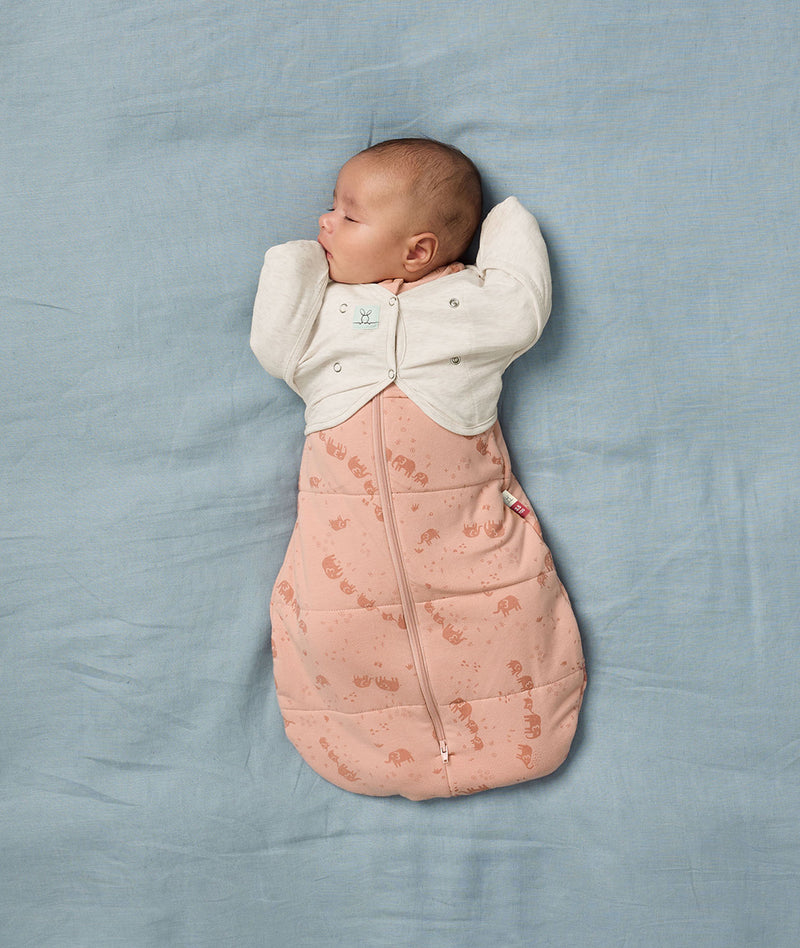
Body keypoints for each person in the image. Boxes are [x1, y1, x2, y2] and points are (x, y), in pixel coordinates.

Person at [251, 138, 585, 800]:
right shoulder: (325, 317)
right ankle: (374, 746)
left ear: (419, 250)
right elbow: (273, 347)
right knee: (341, 626)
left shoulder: (470, 305)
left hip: (466, 540)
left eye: (347, 216)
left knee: (503, 616)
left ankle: (506, 738)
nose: (322, 223)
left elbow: (523, 302)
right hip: (344, 558)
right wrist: (293, 265)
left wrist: (504, 221)